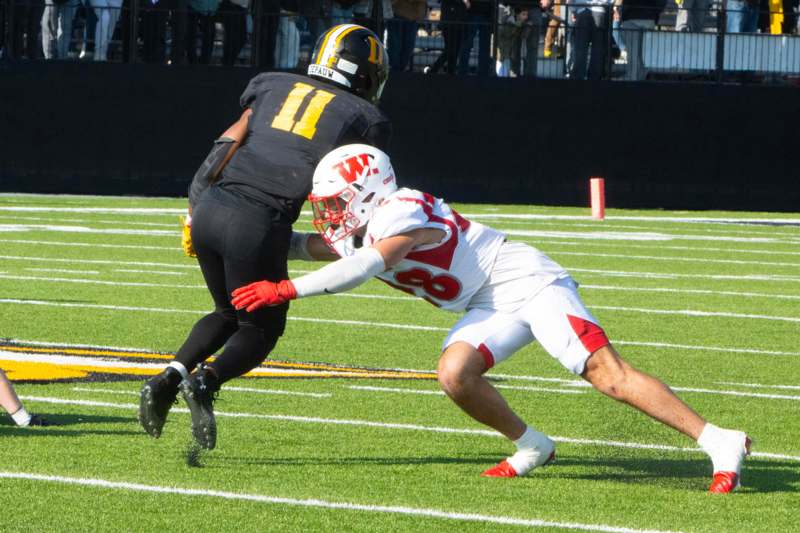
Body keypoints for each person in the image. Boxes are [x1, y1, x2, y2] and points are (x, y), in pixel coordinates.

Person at [232, 144, 752, 494]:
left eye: (337, 201)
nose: (330, 212)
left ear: (369, 189)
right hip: (485, 302)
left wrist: (284, 289)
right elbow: (318, 246)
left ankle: (716, 439)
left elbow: (366, 264)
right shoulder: (364, 223)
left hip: (525, 281)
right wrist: (232, 240)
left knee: (605, 374)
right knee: (455, 375)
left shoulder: (401, 209)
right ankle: (534, 445)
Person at [138, 24, 392, 451]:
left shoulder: (271, 85)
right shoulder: (365, 119)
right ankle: (206, 382)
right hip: (258, 220)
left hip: (212, 206)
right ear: (364, 74)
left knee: (227, 311)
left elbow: (225, 144)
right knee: (261, 328)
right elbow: (349, 192)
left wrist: (194, 209)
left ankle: (169, 377)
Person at [618, 0, 664, 80]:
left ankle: (632, 77)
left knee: (633, 52)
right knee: (645, 54)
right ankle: (640, 78)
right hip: (649, 17)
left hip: (630, 16)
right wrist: (656, 12)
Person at [569, 0, 613, 79]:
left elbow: (570, 1)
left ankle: (577, 78)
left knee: (580, 48)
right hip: (599, 10)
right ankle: (594, 79)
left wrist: (573, 10)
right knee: (597, 49)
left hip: (581, 10)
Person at [386, 0, 426, 71]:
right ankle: (395, 73)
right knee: (395, 48)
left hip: (412, 16)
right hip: (397, 15)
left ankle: (398, 72)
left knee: (407, 48)